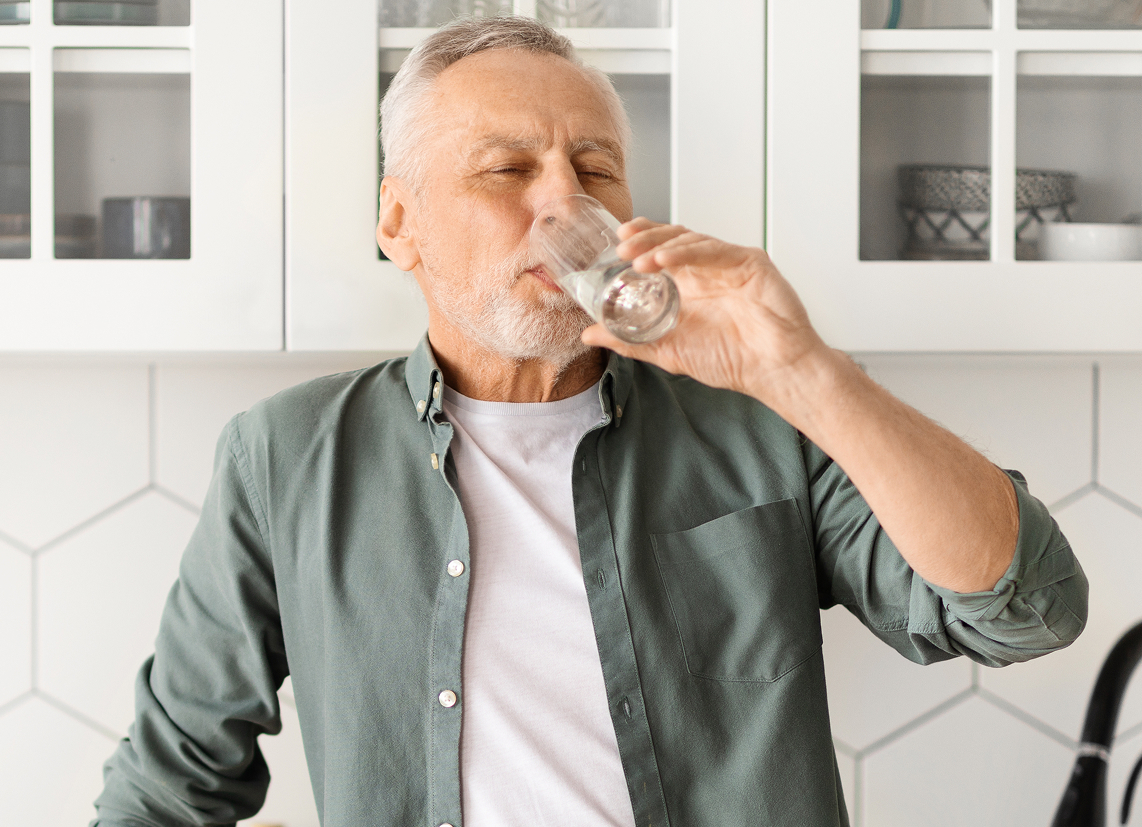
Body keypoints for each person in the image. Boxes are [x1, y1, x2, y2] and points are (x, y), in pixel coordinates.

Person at [91, 16, 1088, 827]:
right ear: (398, 223)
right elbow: (168, 788)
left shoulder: (760, 420)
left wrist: (804, 371)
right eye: (506, 169)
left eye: (595, 168)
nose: (565, 199)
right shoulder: (286, 458)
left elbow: (1024, 608)